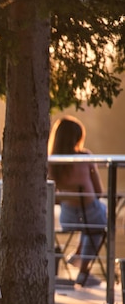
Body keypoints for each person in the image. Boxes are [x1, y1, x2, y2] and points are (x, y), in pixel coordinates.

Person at [48, 115, 106, 287]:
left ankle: (78, 256)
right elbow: (99, 192)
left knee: (90, 224)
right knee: (98, 226)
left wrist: (67, 196)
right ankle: (83, 271)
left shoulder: (51, 162)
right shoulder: (85, 157)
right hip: (90, 215)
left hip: (67, 218)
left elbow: (52, 196)